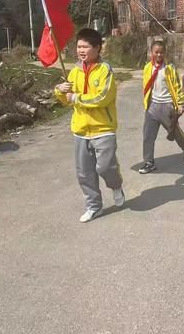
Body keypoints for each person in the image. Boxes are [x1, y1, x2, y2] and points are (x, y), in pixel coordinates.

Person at [54, 28, 125, 223]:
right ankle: (94, 207)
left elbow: (102, 97)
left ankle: (116, 185)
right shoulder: (75, 70)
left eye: (85, 46)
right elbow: (66, 99)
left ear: (97, 48)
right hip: (81, 131)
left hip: (103, 129)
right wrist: (60, 90)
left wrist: (75, 97)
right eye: (78, 46)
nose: (81, 50)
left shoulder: (105, 70)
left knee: (106, 167)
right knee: (84, 173)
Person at [139, 40, 184, 175]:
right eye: (156, 52)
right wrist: (147, 102)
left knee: (174, 132)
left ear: (165, 53)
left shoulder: (169, 68)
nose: (159, 55)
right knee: (148, 136)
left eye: (161, 52)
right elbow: (146, 87)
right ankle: (149, 162)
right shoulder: (147, 68)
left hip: (167, 106)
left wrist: (180, 103)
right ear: (151, 52)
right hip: (152, 107)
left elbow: (177, 87)